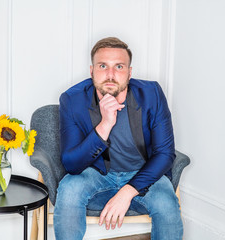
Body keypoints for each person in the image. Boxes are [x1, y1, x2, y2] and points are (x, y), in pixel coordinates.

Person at [54, 37, 183, 240]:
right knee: (69, 188)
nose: (110, 75)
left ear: (129, 73)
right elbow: (71, 164)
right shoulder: (72, 99)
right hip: (95, 173)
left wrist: (127, 191)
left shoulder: (152, 94)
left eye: (119, 67)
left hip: (143, 172)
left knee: (166, 203)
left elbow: (165, 154)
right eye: (103, 66)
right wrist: (104, 125)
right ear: (92, 71)